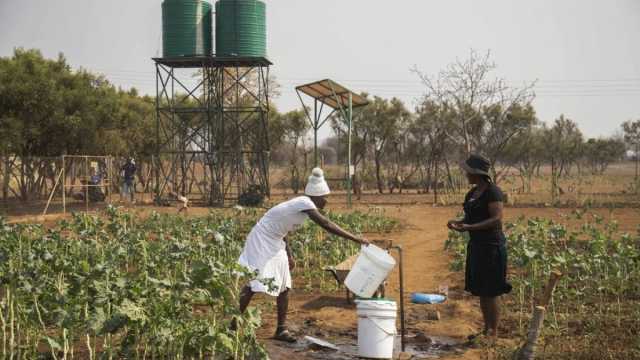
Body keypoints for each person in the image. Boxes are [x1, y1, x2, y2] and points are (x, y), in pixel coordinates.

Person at [236, 168, 370, 343]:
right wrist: (356, 238)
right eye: (324, 197)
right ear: (316, 196)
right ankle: (233, 324)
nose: (326, 201)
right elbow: (326, 223)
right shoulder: (304, 203)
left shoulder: (302, 206)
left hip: (276, 241)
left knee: (285, 284)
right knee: (254, 282)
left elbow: (285, 230)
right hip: (261, 239)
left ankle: (281, 329)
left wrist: (289, 254)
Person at [447, 154, 512, 339]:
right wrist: (459, 223)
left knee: (492, 291)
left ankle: (493, 332)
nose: (466, 175)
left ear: (476, 173)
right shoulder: (472, 194)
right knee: (483, 291)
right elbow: (469, 218)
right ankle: (486, 330)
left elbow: (496, 218)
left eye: (468, 172)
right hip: (477, 246)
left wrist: (469, 227)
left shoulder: (493, 192)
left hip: (492, 246)